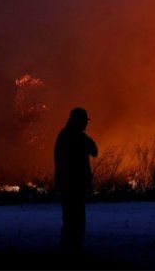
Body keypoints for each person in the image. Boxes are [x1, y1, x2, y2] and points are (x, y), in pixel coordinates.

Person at [54, 107, 98, 255]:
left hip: (67, 185)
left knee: (69, 219)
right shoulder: (79, 137)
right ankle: (74, 251)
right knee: (77, 220)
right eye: (84, 121)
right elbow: (94, 151)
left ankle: (67, 250)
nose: (86, 124)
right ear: (78, 121)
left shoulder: (63, 136)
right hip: (76, 185)